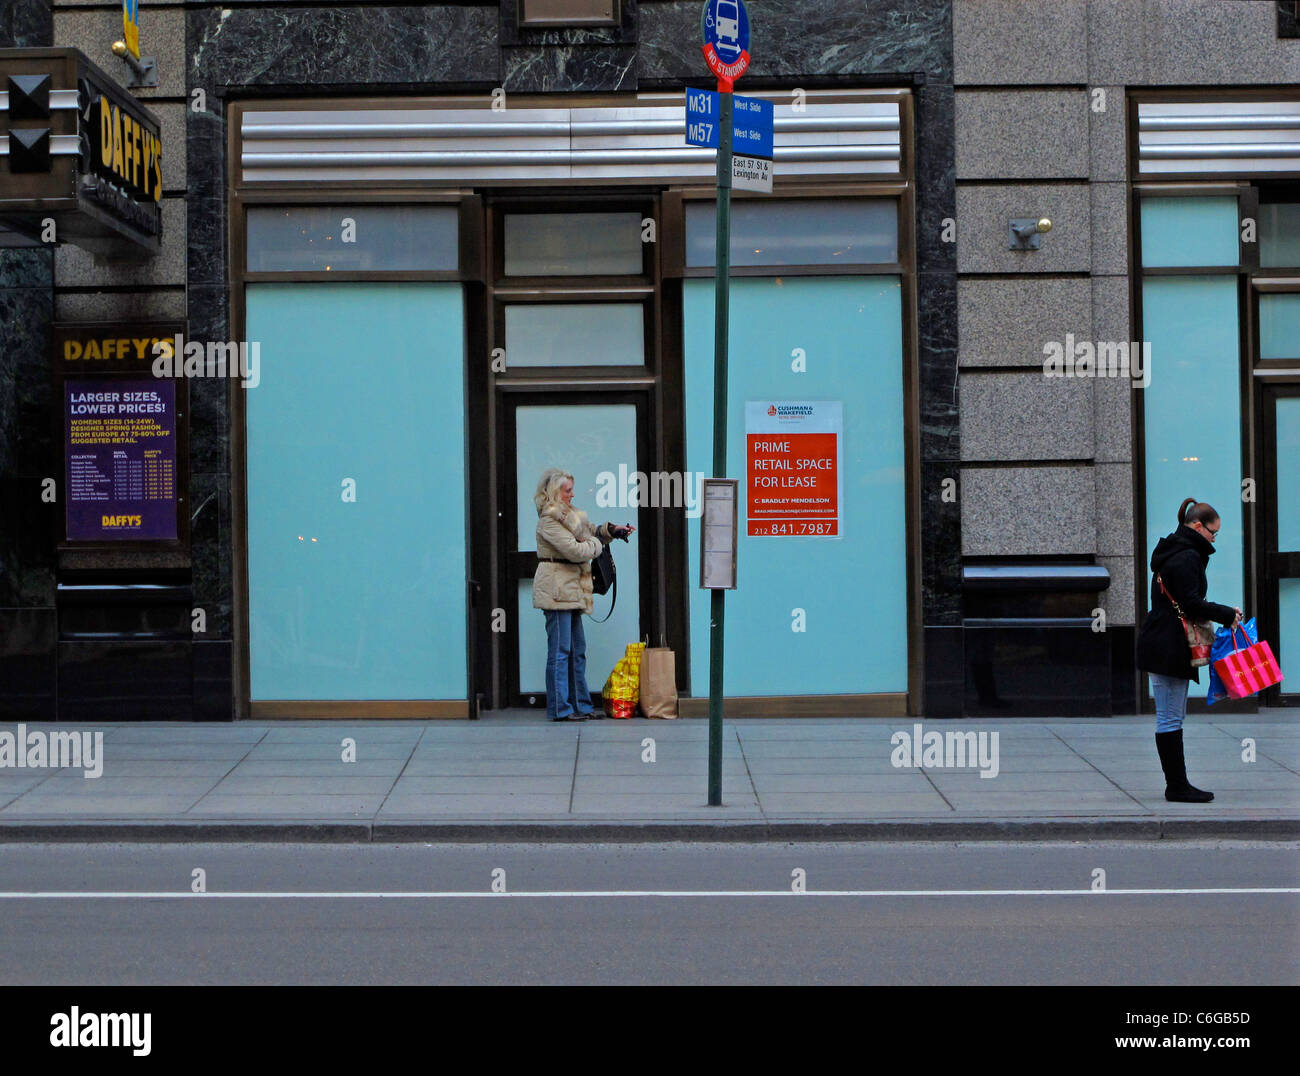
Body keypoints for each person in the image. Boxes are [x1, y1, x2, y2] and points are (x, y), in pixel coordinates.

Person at [1135, 497, 1242, 802]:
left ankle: (1178, 784)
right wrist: (1226, 613)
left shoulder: (1175, 552)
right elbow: (1191, 603)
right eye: (1213, 532)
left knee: (1172, 716)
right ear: (1197, 526)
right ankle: (1177, 786)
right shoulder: (1186, 557)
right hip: (1168, 645)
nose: (1214, 538)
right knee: (1169, 717)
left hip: (1163, 642)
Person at [531, 468, 634, 722]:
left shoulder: (572, 516)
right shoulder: (549, 520)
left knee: (577, 650)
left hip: (572, 589)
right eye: (567, 491)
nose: (572, 495)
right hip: (556, 590)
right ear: (555, 492)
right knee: (560, 650)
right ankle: (561, 709)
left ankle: (581, 706)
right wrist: (598, 545)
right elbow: (576, 550)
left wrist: (612, 530)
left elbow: (592, 531)